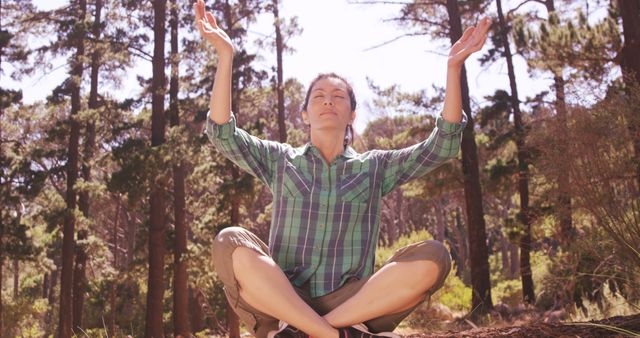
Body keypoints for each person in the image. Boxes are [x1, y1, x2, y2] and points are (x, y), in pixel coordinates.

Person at [194, 0, 490, 337]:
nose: (328, 101)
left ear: (351, 114)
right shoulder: (280, 160)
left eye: (338, 96)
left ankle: (306, 330)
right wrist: (225, 55)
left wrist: (453, 68)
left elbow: (442, 146)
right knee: (230, 241)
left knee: (434, 257)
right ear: (304, 114)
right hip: (283, 296)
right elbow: (223, 134)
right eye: (318, 96)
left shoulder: (375, 167)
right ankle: (336, 334)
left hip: (351, 303)